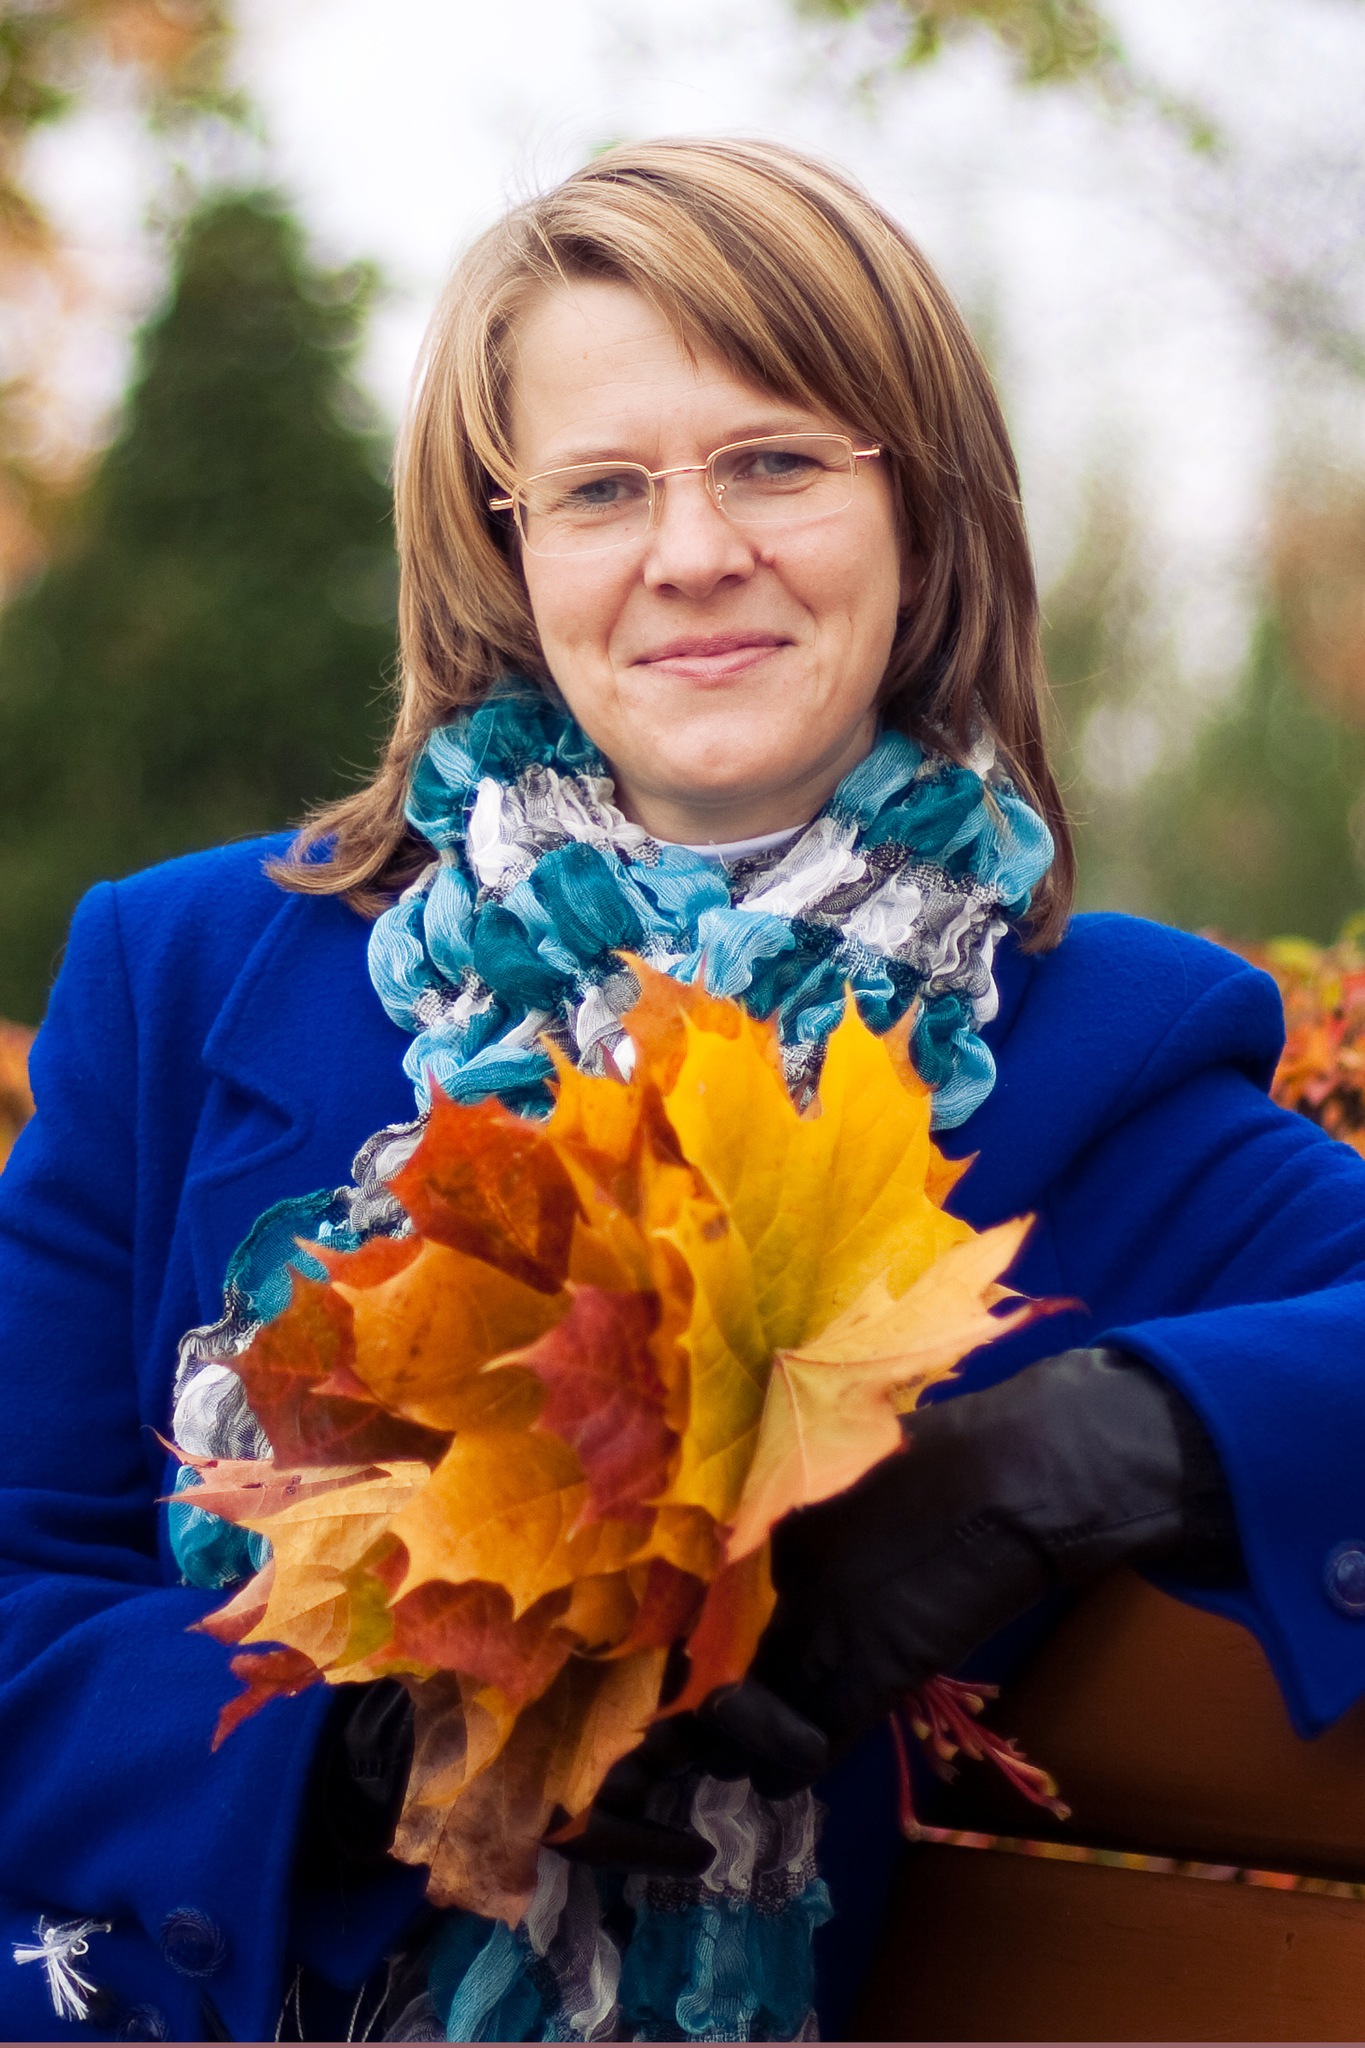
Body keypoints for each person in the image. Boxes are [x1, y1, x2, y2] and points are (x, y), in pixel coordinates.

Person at [1, 135, 1364, 2044]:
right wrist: (344, 1751)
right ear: (503, 545)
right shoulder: (187, 971)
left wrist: (1077, 1453)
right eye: (599, 488)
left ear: (925, 510)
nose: (693, 551)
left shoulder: (1092, 1048)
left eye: (777, 462)